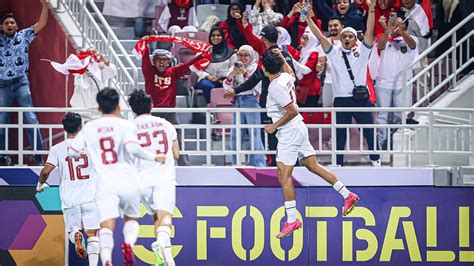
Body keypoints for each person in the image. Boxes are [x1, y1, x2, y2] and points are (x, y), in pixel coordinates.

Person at [261, 50, 359, 238]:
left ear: (264, 68)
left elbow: (292, 111)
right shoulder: (284, 77)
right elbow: (291, 73)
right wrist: (282, 57)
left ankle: (292, 220)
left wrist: (274, 126)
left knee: (283, 175)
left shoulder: (274, 86)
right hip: (298, 129)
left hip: (289, 130)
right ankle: (347, 195)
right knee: (311, 165)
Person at [68, 88, 165, 266]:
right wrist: (153, 157)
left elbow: (73, 152)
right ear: (118, 107)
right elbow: (132, 148)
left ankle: (106, 260)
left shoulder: (90, 127)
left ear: (99, 107)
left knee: (106, 225)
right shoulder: (126, 125)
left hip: (105, 184)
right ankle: (128, 244)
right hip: (128, 180)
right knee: (131, 219)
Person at [307, 0, 381, 167]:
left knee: (369, 131)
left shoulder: (363, 52)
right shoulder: (334, 53)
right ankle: (338, 163)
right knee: (340, 133)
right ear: (340, 38)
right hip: (341, 99)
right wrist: (308, 19)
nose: (347, 38)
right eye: (344, 36)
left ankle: (376, 160)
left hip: (361, 99)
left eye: (350, 36)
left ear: (355, 39)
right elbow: (319, 35)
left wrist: (371, 10)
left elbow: (369, 31)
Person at [224, 25, 296, 166]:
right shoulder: (286, 54)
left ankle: (273, 168)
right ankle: (292, 167)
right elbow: (293, 76)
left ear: (264, 38)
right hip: (288, 101)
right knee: (287, 138)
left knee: (271, 137)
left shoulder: (267, 56)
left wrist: (236, 90)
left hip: (271, 102)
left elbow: (255, 78)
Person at [36, 112, 100, 266]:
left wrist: (40, 185)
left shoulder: (57, 148)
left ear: (64, 128)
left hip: (70, 199)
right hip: (90, 197)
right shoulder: (91, 145)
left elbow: (45, 171)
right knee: (92, 234)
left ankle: (77, 235)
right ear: (80, 127)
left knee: (72, 230)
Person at [128, 90, 179, 266]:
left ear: (133, 109)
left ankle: (167, 259)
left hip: (141, 182)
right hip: (163, 179)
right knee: (165, 218)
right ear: (151, 106)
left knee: (157, 217)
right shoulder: (166, 124)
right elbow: (177, 154)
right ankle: (162, 245)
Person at [141, 35, 207, 166]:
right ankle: (149, 164)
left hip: (170, 112)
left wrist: (201, 56)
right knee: (151, 139)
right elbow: (144, 58)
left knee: (178, 137)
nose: (161, 63)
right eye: (158, 60)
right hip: (153, 112)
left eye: (164, 60)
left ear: (169, 62)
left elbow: (188, 64)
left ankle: (184, 164)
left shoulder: (173, 72)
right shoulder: (149, 71)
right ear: (153, 61)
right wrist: (146, 43)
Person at [0, 0, 49, 166]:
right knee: (1, 120)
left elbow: (41, 23)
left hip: (21, 82)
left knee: (30, 117)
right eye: (6, 23)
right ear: (2, 27)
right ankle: (2, 156)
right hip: (2, 84)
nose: (10, 25)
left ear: (17, 25)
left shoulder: (24, 36)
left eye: (12, 22)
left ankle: (37, 156)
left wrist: (45, 5)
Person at [375, 12, 418, 150]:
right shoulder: (383, 37)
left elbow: (412, 46)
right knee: (383, 116)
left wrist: (401, 32)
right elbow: (379, 46)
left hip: (403, 83)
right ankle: (382, 143)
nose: (396, 24)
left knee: (400, 115)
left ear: (405, 24)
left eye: (400, 22)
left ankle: (398, 144)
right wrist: (388, 29)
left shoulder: (412, 38)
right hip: (383, 82)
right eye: (394, 22)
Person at [223, 45, 266, 167]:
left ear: (251, 55)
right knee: (235, 134)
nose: (242, 58)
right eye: (240, 55)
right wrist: (230, 76)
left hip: (251, 100)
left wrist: (243, 72)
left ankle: (258, 164)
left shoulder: (255, 68)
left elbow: (256, 85)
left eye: (245, 55)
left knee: (255, 133)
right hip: (238, 100)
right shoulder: (233, 67)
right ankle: (235, 163)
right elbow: (226, 87)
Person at [190, 26, 237, 104]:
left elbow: (233, 68)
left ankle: (226, 108)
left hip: (226, 80)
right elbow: (194, 66)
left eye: (218, 35)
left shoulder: (230, 52)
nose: (216, 37)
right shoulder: (204, 51)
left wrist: (226, 78)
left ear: (222, 37)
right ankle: (211, 105)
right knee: (206, 85)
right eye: (213, 35)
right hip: (208, 80)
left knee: (230, 86)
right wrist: (207, 76)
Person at [70, 47, 117, 118]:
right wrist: (83, 68)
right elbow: (70, 68)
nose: (91, 54)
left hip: (97, 109)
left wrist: (105, 61)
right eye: (89, 52)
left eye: (94, 52)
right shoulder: (79, 68)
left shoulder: (101, 69)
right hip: (80, 108)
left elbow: (112, 71)